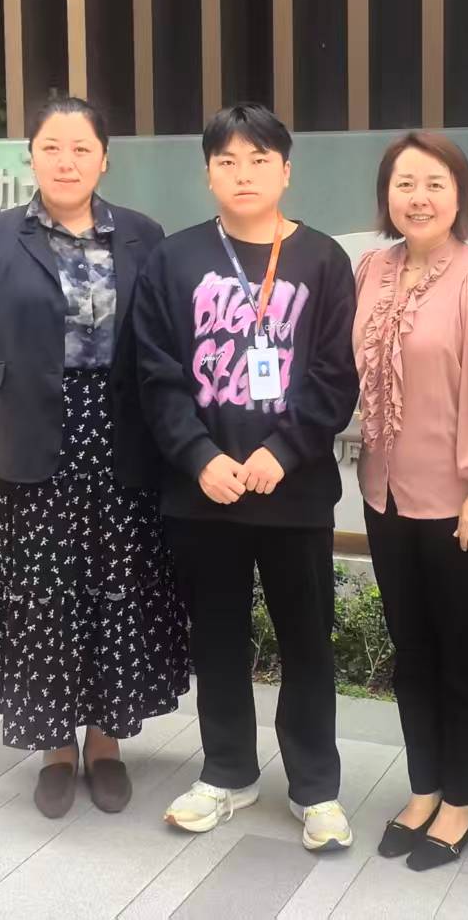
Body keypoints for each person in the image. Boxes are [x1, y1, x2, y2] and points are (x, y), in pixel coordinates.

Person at [0, 96, 189, 820]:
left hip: (123, 440)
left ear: (104, 159)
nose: (66, 161)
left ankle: (106, 743)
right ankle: (54, 747)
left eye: (82, 148)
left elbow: (167, 346)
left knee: (118, 589)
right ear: (31, 155)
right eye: (52, 147)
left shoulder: (143, 235)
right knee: (44, 594)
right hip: (28, 441)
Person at [130, 103, 360, 851]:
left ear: (285, 170)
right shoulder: (174, 259)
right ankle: (227, 772)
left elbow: (335, 374)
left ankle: (316, 788)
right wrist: (199, 456)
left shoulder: (323, 259)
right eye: (227, 161)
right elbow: (156, 373)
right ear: (208, 173)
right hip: (204, 494)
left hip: (295, 493)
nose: (244, 173)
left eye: (259, 160)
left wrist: (282, 451)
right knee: (217, 639)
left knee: (307, 643)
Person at [352, 132, 468, 871]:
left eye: (434, 183)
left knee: (462, 653)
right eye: (404, 184)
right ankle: (425, 784)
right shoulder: (371, 269)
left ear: (460, 195)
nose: (418, 197)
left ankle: (466, 796)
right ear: (386, 195)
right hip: (385, 494)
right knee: (413, 651)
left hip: (464, 501)